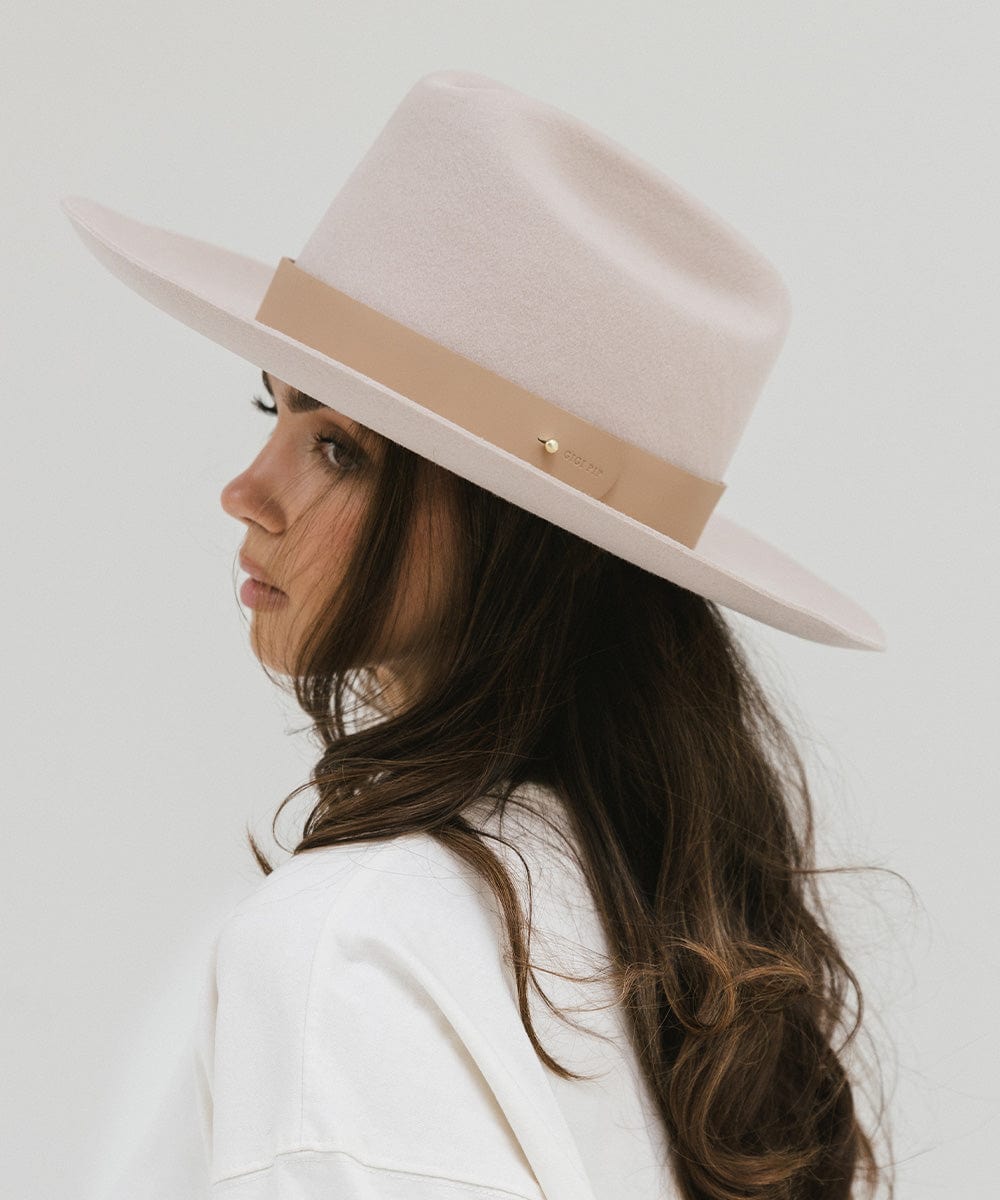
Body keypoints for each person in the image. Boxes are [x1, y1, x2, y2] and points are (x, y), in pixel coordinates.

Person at [63, 69, 892, 1200]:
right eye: (275, 408)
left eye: (340, 447)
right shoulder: (657, 924)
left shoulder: (349, 948)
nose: (245, 492)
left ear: (513, 534)